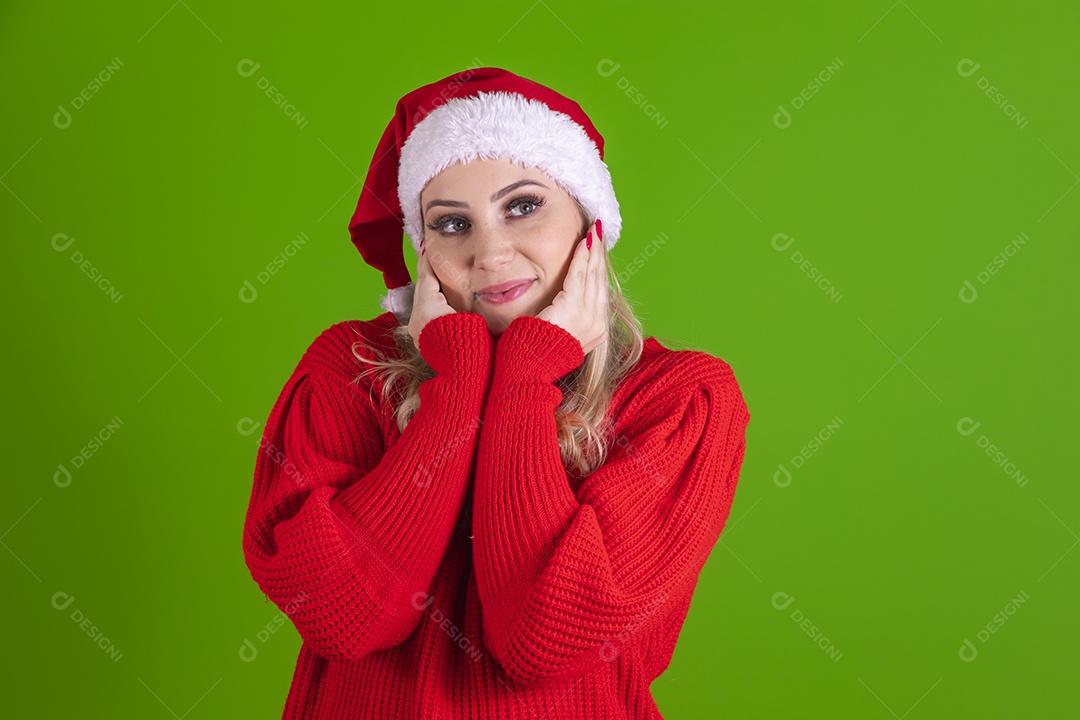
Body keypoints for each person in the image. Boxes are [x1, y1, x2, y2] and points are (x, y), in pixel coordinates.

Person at [242, 66, 751, 719]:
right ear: (423, 250)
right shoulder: (352, 367)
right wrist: (457, 383)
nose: (490, 251)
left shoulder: (680, 399)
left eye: (523, 205)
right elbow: (347, 618)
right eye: (452, 224)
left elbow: (542, 641)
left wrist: (526, 373)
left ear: (589, 221)